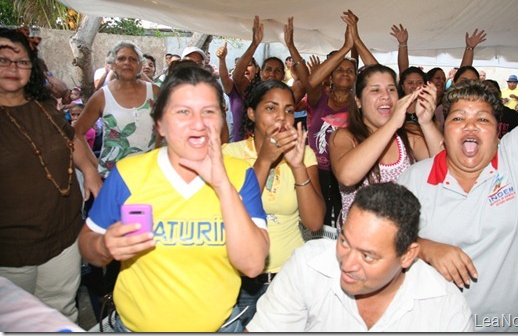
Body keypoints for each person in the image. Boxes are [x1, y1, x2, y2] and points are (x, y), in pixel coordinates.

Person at [397, 0, 518, 331]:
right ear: (444, 126)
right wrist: (424, 247)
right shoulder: (415, 178)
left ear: (499, 131)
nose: (470, 125)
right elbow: (381, 241)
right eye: (458, 118)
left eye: (482, 118)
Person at [78, 64, 269, 332]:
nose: (199, 123)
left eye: (209, 112)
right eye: (183, 112)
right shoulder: (130, 174)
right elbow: (87, 243)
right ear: (160, 124)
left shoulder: (240, 175)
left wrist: (221, 183)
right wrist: (104, 247)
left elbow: (252, 265)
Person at [246, 182, 474, 332]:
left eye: (368, 256)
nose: (347, 263)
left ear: (407, 256)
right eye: (344, 241)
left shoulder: (444, 307)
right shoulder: (308, 267)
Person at [0, 28, 101, 322]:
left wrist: (90, 171)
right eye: (3, 59)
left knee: (61, 312)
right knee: (14, 320)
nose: (12, 68)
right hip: (11, 247)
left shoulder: (43, 106)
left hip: (63, 233)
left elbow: (72, 140)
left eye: (21, 61)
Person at [222, 80, 325, 327]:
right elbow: (235, 213)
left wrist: (298, 165)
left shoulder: (304, 154)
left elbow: (314, 223)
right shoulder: (228, 154)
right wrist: (265, 160)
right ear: (251, 113)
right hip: (240, 278)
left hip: (288, 277)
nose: (282, 118)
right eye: (271, 108)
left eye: (289, 110)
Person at [330, 64, 442, 230]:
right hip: (357, 244)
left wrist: (426, 122)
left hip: (400, 239)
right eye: (375, 90)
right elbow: (347, 175)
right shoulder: (344, 137)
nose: (385, 97)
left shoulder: (409, 137)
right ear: (358, 101)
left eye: (391, 90)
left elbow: (445, 169)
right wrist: (392, 125)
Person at [300, 10, 374, 226]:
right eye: (339, 70)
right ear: (330, 76)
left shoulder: (360, 103)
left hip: (349, 172)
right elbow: (311, 82)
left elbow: (376, 71)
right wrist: (344, 48)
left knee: (347, 221)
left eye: (350, 71)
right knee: (317, 222)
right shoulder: (318, 97)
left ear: (356, 78)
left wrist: (355, 40)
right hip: (316, 170)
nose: (344, 73)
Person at [74, 41, 160, 178]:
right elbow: (77, 133)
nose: (127, 62)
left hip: (150, 176)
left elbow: (170, 128)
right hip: (112, 178)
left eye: (133, 59)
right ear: (112, 64)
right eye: (121, 58)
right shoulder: (102, 96)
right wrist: (95, 167)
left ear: (139, 67)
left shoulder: (155, 92)